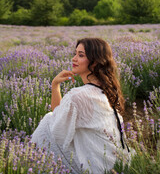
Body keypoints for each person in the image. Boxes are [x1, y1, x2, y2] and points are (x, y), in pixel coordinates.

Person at [31, 38, 130, 173]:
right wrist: (55, 86)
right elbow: (60, 116)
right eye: (75, 53)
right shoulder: (106, 90)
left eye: (81, 55)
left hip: (95, 166)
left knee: (48, 121)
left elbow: (57, 126)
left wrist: (54, 86)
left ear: (94, 62)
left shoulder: (78, 95)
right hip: (116, 162)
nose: (74, 59)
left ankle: (31, 160)